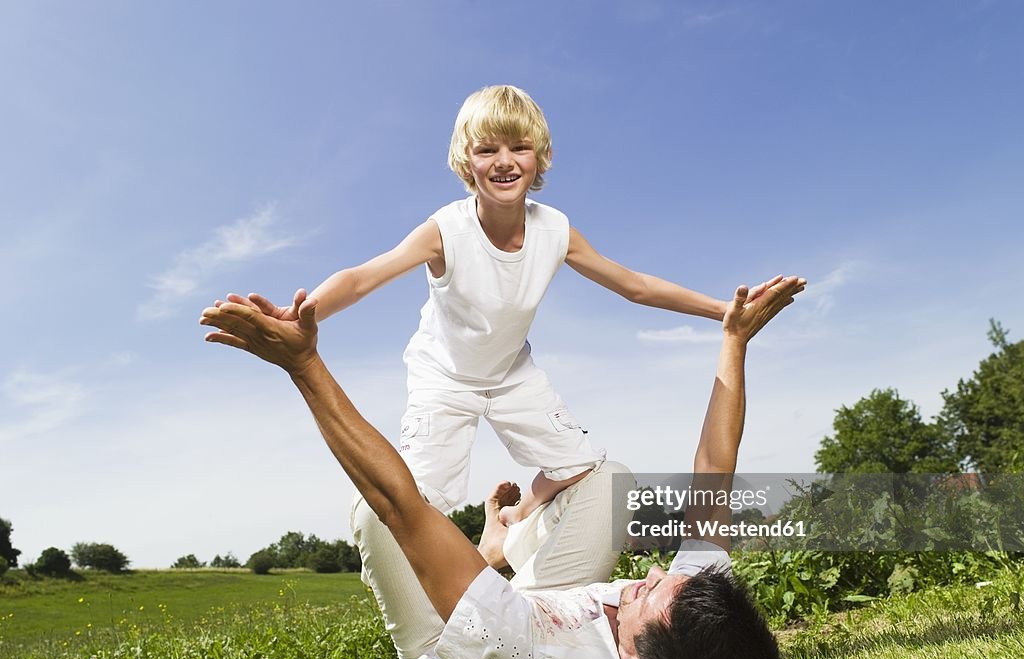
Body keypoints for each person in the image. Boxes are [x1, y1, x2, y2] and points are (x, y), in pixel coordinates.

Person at [200, 274, 805, 659]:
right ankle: (494, 557)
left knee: (377, 519)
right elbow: (715, 470)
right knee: (609, 476)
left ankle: (487, 561)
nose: (650, 572)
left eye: (648, 593)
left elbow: (399, 504)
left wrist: (304, 365)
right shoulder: (694, 613)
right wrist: (735, 340)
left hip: (453, 653)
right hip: (544, 603)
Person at [228, 84, 743, 523]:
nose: (504, 161)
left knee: (579, 466)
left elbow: (635, 285)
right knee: (419, 499)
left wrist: (722, 310)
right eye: (487, 149)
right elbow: (365, 277)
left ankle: (513, 520)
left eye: (519, 147)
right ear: (465, 161)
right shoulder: (445, 230)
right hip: (445, 376)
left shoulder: (556, 231)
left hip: (511, 374)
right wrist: (303, 311)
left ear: (539, 157)